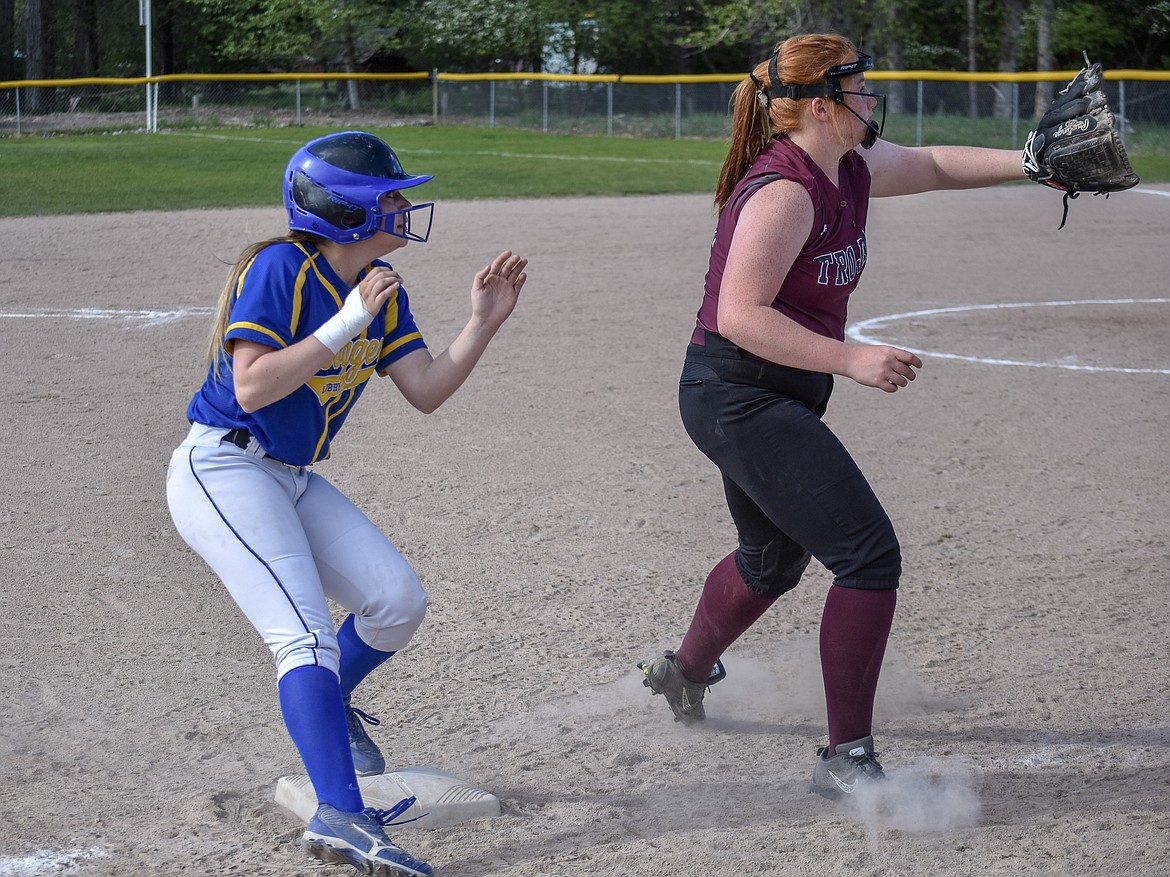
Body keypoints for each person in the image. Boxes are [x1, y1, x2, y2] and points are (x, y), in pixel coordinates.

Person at [636, 33, 1030, 800]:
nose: (873, 98)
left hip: (776, 390)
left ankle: (681, 673)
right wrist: (851, 357)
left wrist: (1030, 164)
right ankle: (845, 758)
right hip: (738, 392)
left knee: (771, 562)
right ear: (822, 105)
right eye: (861, 87)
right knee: (867, 555)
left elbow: (936, 166)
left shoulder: (846, 164)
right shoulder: (784, 188)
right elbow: (740, 314)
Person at [166, 130, 528, 876]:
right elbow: (252, 386)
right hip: (223, 468)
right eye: (388, 195)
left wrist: (482, 323)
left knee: (396, 600)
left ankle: (334, 708)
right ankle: (342, 812)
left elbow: (425, 389)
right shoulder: (281, 267)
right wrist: (348, 321)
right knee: (304, 638)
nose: (402, 205)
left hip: (290, 476)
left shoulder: (381, 282)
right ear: (345, 210)